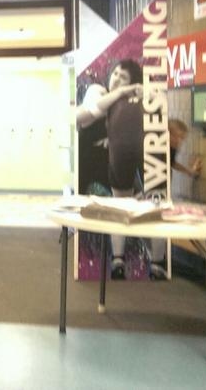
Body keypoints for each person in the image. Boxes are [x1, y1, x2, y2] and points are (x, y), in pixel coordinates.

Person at [75, 59, 148, 279]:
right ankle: (118, 256)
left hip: (113, 168)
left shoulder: (130, 105)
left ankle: (121, 258)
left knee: (133, 199)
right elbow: (87, 114)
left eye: (123, 77)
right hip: (91, 168)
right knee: (121, 201)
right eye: (115, 73)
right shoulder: (99, 91)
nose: (116, 78)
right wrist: (121, 91)